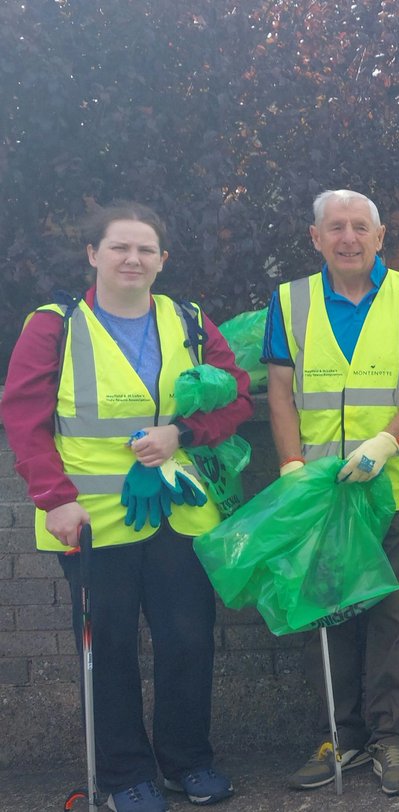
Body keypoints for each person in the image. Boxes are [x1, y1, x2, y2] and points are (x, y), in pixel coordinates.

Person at [2, 202, 252, 811]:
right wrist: (54, 500)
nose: (132, 259)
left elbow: (237, 396)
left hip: (182, 515)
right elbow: (24, 418)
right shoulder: (53, 326)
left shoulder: (188, 319)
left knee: (188, 641)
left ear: (163, 260)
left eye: (146, 249)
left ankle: (187, 762)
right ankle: (123, 776)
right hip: (89, 522)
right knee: (107, 648)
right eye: (119, 247)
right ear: (93, 255)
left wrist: (183, 434)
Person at [263, 189, 399, 794]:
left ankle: (392, 742)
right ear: (316, 238)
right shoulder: (289, 301)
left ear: (380, 236)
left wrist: (387, 443)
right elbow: (278, 389)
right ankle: (337, 739)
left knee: (395, 618)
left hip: (396, 486)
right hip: (323, 493)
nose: (348, 238)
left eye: (360, 227)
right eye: (335, 227)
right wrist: (292, 464)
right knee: (329, 616)